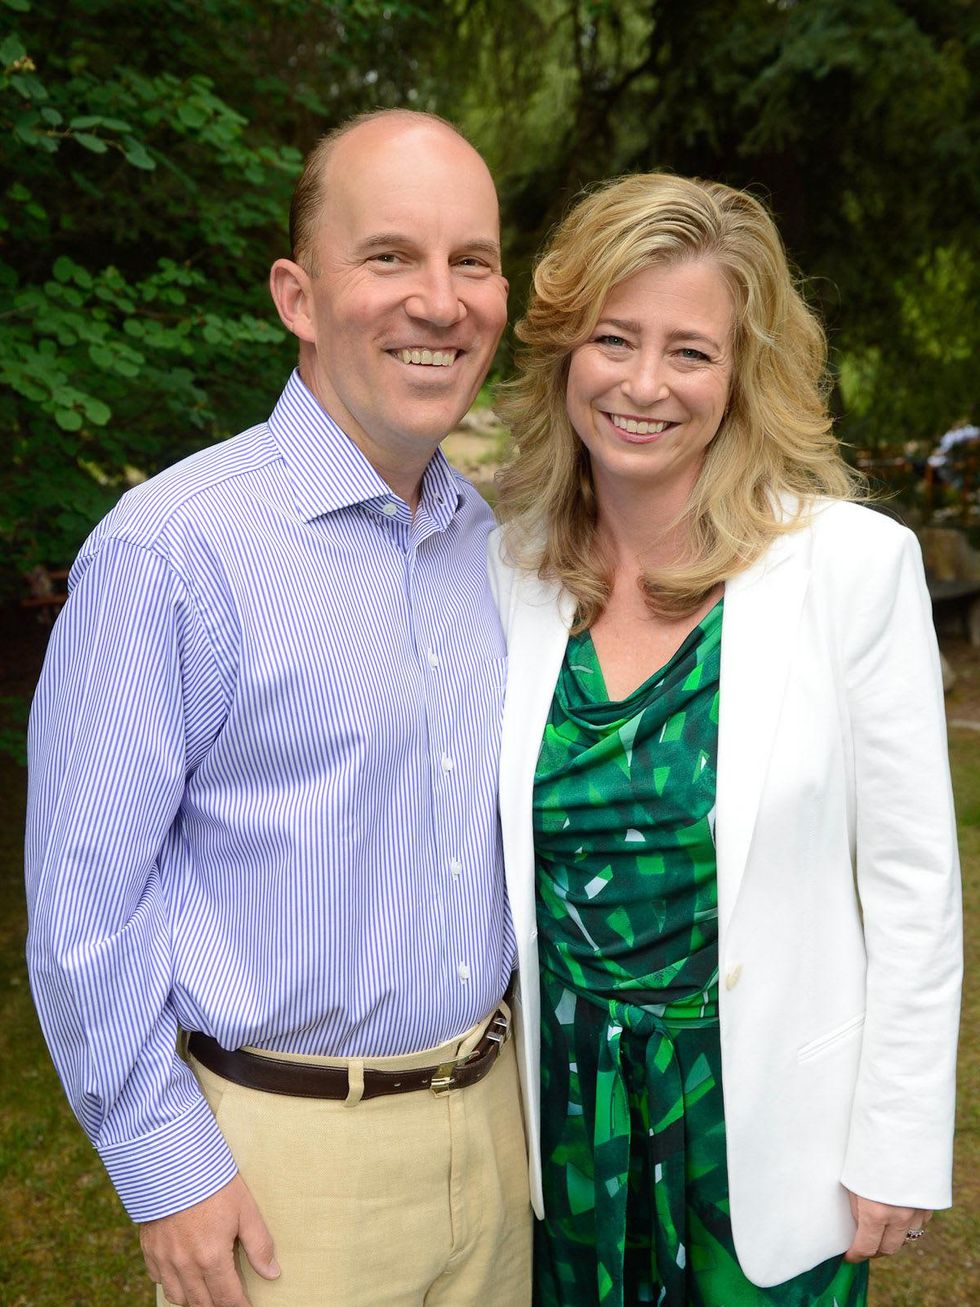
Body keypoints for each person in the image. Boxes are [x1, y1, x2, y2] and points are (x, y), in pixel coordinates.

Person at [25, 109, 532, 1307]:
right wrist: (165, 1170)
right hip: (286, 1170)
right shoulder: (170, 551)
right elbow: (85, 905)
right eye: (391, 256)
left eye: (472, 260)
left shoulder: (500, 548)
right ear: (297, 296)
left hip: (499, 1136)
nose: (440, 300)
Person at [488, 173, 962, 1305]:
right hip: (558, 1134)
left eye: (690, 351)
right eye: (613, 339)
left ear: (742, 376)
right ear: (563, 355)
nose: (643, 384)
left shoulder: (849, 565)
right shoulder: (501, 570)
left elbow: (910, 880)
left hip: (766, 1136)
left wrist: (892, 1139)